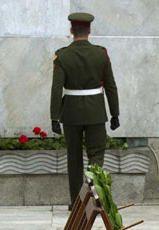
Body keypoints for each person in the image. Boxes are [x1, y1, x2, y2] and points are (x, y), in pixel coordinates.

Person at [50, 12, 120, 210]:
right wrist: (115, 113)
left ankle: (76, 203)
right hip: (95, 111)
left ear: (71, 30)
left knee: (74, 157)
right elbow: (111, 86)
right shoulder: (101, 54)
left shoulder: (62, 55)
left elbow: (57, 88)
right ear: (89, 30)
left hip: (71, 113)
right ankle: (94, 200)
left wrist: (54, 116)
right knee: (96, 156)